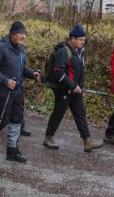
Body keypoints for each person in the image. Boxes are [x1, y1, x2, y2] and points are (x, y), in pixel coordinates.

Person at [0, 21, 41, 163]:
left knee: (17, 119)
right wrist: (6, 81)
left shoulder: (21, 49)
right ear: (12, 34)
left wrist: (32, 74)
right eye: (21, 33)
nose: (23, 36)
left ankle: (12, 150)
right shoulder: (1, 47)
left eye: (25, 34)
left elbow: (22, 69)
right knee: (3, 119)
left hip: (17, 90)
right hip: (2, 90)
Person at [43, 24, 102, 153]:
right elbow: (58, 72)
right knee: (58, 113)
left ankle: (87, 141)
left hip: (76, 90)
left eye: (83, 40)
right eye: (80, 40)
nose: (82, 42)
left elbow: (80, 72)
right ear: (72, 38)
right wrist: (72, 85)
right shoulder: (63, 52)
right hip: (63, 89)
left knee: (80, 114)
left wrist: (81, 87)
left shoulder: (80, 52)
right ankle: (48, 137)